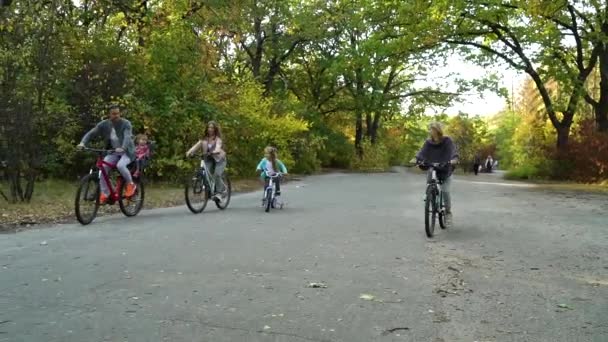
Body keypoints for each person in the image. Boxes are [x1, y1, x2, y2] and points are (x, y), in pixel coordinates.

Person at [77, 104, 136, 204]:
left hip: (127, 152)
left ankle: (131, 184)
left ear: (120, 113)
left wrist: (123, 148)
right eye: (113, 114)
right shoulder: (104, 124)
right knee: (103, 167)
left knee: (120, 165)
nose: (116, 115)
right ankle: (106, 193)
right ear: (109, 114)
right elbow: (91, 133)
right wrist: (82, 143)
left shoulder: (126, 123)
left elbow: (127, 137)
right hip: (113, 151)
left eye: (117, 113)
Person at [415, 122, 459, 224]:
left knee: (445, 191)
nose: (430, 131)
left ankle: (448, 213)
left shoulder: (447, 141)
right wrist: (416, 159)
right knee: (430, 174)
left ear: (438, 130)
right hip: (434, 167)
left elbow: (453, 151)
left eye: (432, 129)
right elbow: (422, 152)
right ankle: (429, 193)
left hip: (445, 168)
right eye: (430, 129)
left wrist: (454, 159)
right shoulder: (428, 142)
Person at [186, 121, 227, 199]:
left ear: (215, 129)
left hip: (219, 159)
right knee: (205, 174)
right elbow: (196, 146)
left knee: (217, 174)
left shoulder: (218, 139)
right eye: (209, 127)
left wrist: (215, 151)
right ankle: (209, 191)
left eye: (212, 127)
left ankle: (220, 192)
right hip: (209, 159)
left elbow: (218, 147)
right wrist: (189, 152)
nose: (210, 129)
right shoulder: (203, 139)